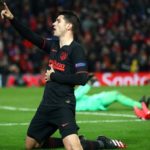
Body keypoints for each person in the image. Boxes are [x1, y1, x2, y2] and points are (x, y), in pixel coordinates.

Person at [1, 3, 126, 150]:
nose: (54, 23)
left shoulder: (76, 49)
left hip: (63, 104)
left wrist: (54, 76)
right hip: (46, 104)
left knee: (74, 148)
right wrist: (12, 19)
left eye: (58, 21)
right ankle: (79, 140)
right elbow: (30, 36)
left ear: (68, 26)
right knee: (31, 145)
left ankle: (102, 143)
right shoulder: (53, 45)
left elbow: (82, 78)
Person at [75, 78, 142, 111]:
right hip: (95, 101)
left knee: (116, 94)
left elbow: (78, 93)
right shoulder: (70, 96)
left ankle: (139, 104)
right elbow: (78, 94)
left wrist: (87, 83)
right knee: (116, 95)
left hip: (94, 102)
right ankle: (140, 105)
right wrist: (88, 84)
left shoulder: (68, 98)